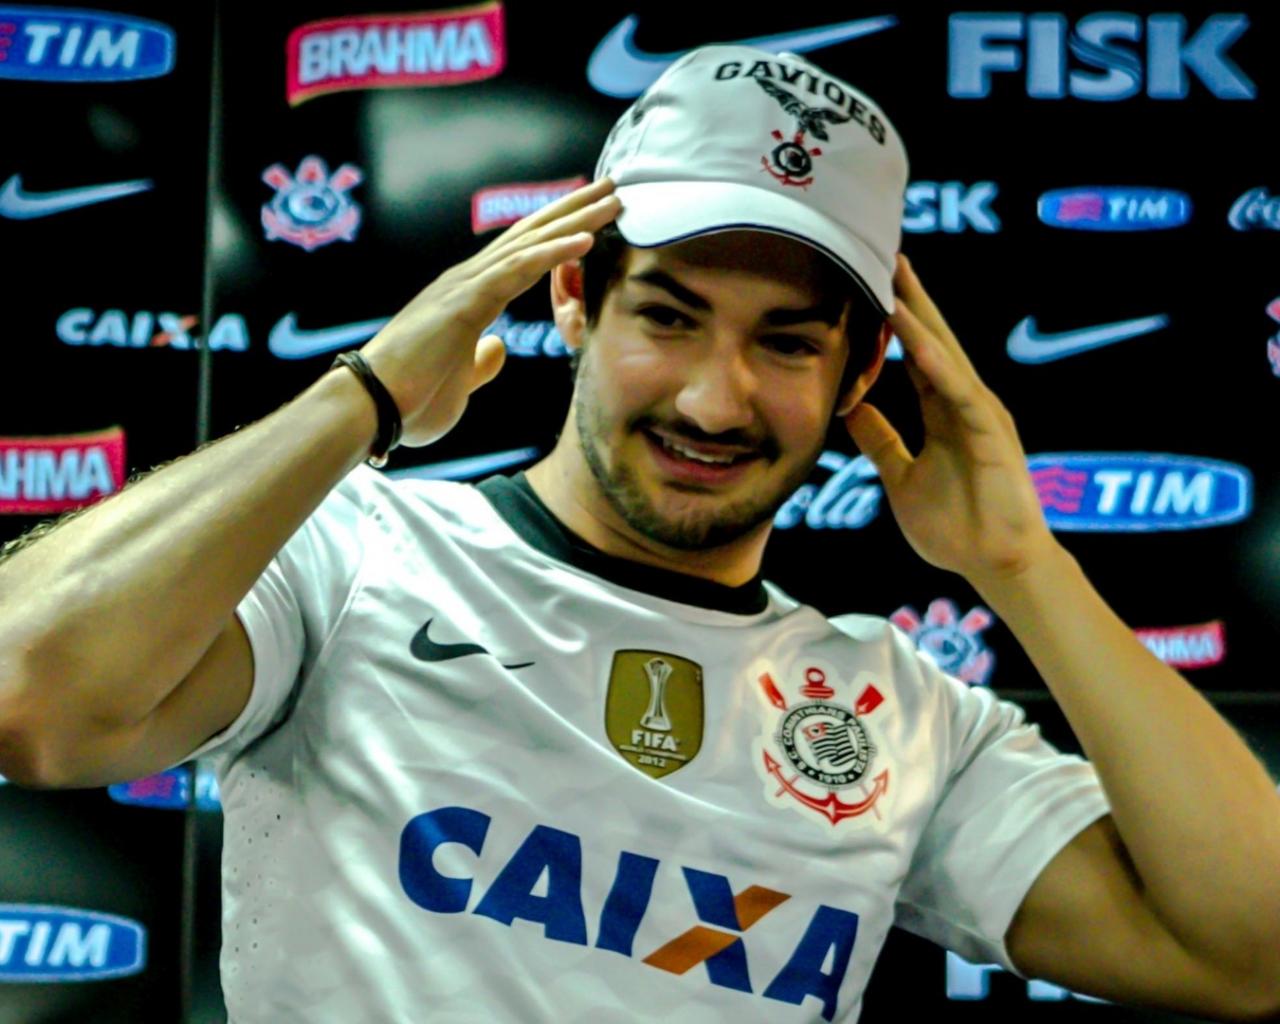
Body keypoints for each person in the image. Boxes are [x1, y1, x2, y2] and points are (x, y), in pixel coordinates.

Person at [1, 44, 1278, 1024]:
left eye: (786, 342)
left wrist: (1023, 565)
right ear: (571, 294)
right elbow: (31, 696)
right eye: (667, 315)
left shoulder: (898, 716)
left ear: (858, 373)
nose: (716, 401)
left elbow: (1248, 953)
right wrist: (365, 395)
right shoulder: (355, 556)